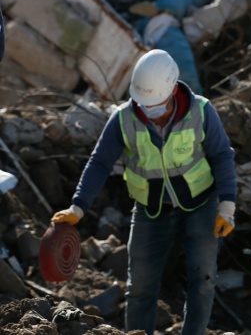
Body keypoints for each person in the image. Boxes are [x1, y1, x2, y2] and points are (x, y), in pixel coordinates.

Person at [51, 49, 237, 335]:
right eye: (143, 103)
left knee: (203, 279)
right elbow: (99, 162)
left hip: (201, 205)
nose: (148, 110)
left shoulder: (201, 111)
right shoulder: (124, 119)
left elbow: (222, 155)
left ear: (174, 90)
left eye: (155, 103)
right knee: (139, 287)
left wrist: (227, 206)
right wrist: (78, 206)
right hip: (151, 210)